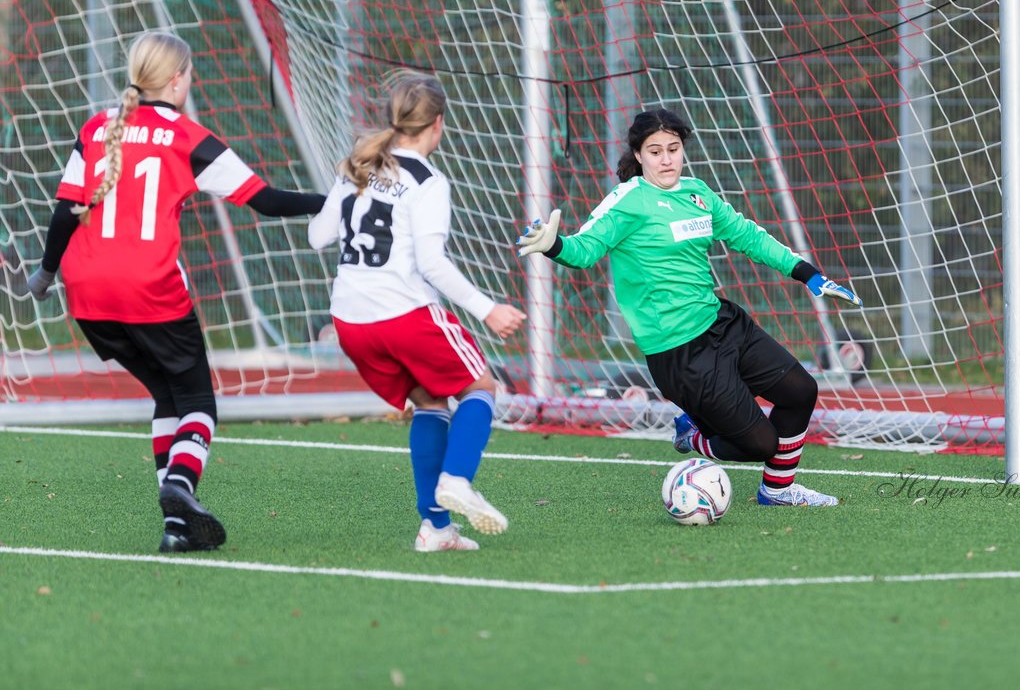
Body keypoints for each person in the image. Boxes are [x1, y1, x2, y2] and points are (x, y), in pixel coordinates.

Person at [26, 31, 326, 552]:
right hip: (148, 288)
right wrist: (330, 203)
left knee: (166, 393)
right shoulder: (189, 137)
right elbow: (267, 201)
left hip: (88, 292)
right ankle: (180, 487)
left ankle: (177, 527)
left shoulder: (98, 127)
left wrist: (46, 273)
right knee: (197, 400)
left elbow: (63, 212)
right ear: (176, 80)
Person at [517, 107, 861, 507]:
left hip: (723, 322)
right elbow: (585, 249)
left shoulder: (697, 193)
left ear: (683, 150)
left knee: (801, 391)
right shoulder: (628, 200)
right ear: (639, 155)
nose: (666, 159)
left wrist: (807, 273)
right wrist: (554, 246)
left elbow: (746, 235)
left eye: (673, 149)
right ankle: (692, 436)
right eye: (655, 151)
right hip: (680, 352)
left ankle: (777, 491)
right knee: (760, 444)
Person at [308, 72, 525, 552]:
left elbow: (317, 237)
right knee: (480, 388)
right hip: (401, 313)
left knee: (430, 401)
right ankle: (457, 480)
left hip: (349, 320)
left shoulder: (355, 166)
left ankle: (436, 529)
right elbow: (431, 264)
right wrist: (488, 310)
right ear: (437, 125)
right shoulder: (427, 180)